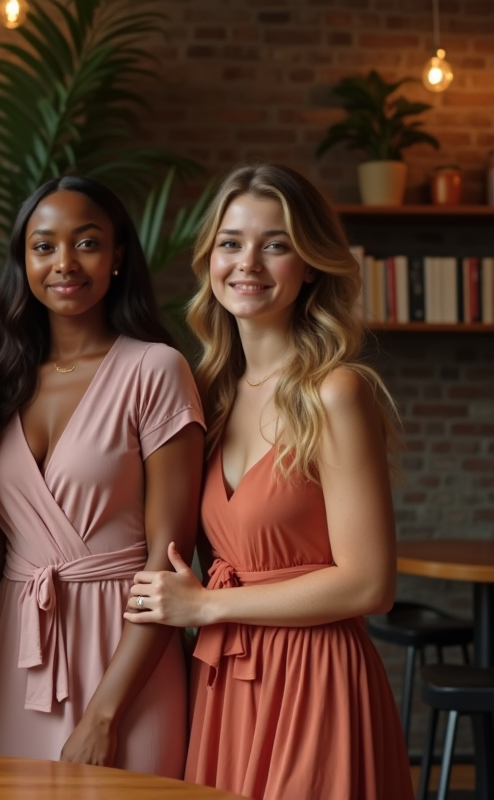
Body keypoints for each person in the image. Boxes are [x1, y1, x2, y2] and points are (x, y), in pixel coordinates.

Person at [128, 163, 413, 799]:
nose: (248, 263)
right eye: (231, 243)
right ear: (209, 262)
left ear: (310, 264)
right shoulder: (209, 396)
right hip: (229, 681)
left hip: (316, 680)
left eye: (275, 244)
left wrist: (205, 606)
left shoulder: (335, 392)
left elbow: (370, 582)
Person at [0, 176, 204, 775]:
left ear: (118, 256)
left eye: (86, 243)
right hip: (19, 656)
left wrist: (104, 715)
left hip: (127, 658)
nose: (64, 262)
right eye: (43, 246)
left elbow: (170, 560)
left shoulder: (155, 370)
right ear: (23, 261)